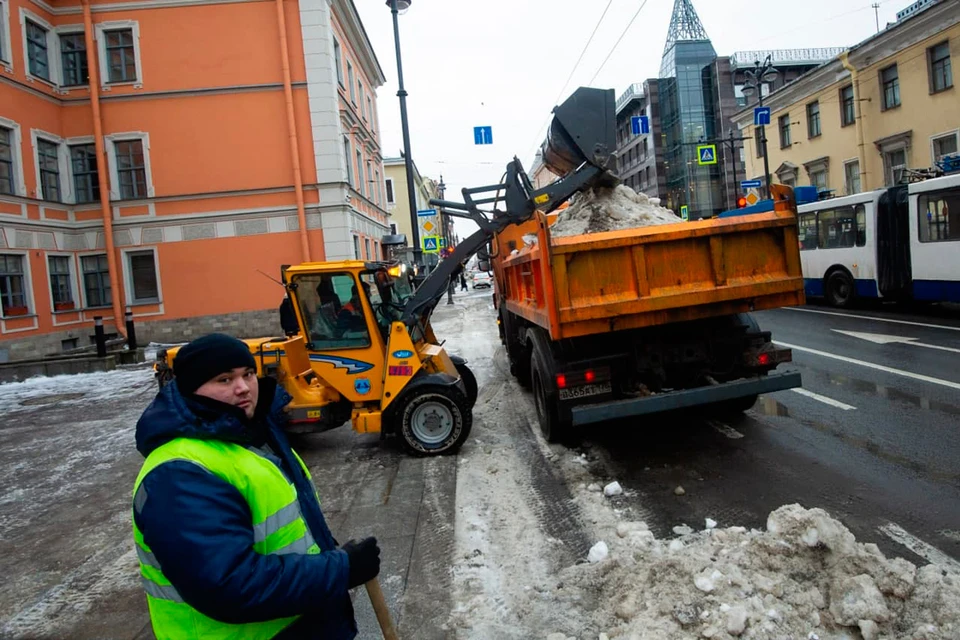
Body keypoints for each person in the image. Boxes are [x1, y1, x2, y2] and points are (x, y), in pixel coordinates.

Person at [132, 333, 381, 639]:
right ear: (191, 389)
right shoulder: (179, 474)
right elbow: (230, 586)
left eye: (247, 374)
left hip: (299, 624)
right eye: (224, 380)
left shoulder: (253, 434)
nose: (242, 388)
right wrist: (340, 569)